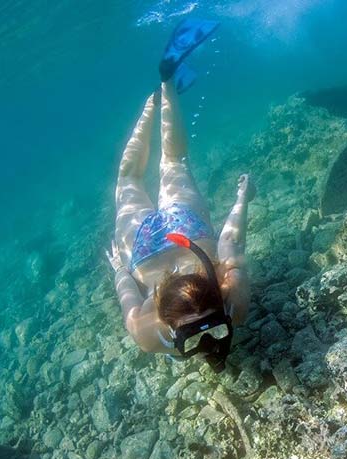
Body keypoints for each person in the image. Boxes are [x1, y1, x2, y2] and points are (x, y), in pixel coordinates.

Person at [106, 19, 251, 372]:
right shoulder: (145, 331)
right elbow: (125, 288)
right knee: (139, 173)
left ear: (166, 320)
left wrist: (243, 199)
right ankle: (163, 87)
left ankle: (162, 90)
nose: (206, 344)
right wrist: (119, 270)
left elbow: (232, 240)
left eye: (199, 334)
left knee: (156, 165)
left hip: (183, 233)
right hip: (145, 249)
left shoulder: (234, 296)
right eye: (214, 328)